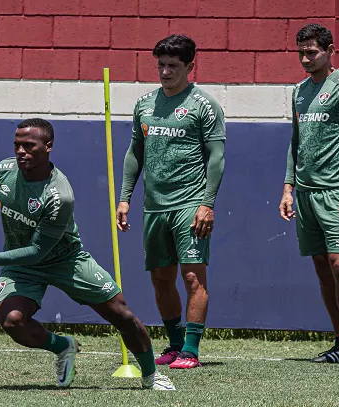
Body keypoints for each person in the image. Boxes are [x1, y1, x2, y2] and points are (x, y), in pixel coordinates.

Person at [0, 118, 175, 390]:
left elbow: (38, 250)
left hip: (65, 260)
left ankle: (151, 376)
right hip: (22, 263)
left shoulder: (60, 195)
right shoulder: (3, 170)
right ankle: (63, 346)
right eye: (17, 145)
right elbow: (10, 209)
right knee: (13, 322)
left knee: (122, 315)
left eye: (29, 146)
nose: (21, 151)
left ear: (48, 147)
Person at [117, 34, 226, 369]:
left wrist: (207, 204)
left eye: (173, 66)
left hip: (190, 204)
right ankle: (175, 343)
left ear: (190, 66)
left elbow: (217, 157)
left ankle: (191, 350)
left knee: (193, 278)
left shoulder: (203, 105)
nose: (165, 72)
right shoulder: (144, 104)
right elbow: (135, 153)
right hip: (154, 206)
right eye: (161, 65)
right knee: (161, 278)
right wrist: (125, 198)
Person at [279, 24, 339, 367]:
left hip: (336, 192)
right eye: (301, 52)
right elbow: (296, 142)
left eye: (312, 52)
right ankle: (337, 342)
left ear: (330, 50)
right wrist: (288, 187)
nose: (305, 58)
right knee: (322, 267)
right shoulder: (299, 91)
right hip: (304, 193)